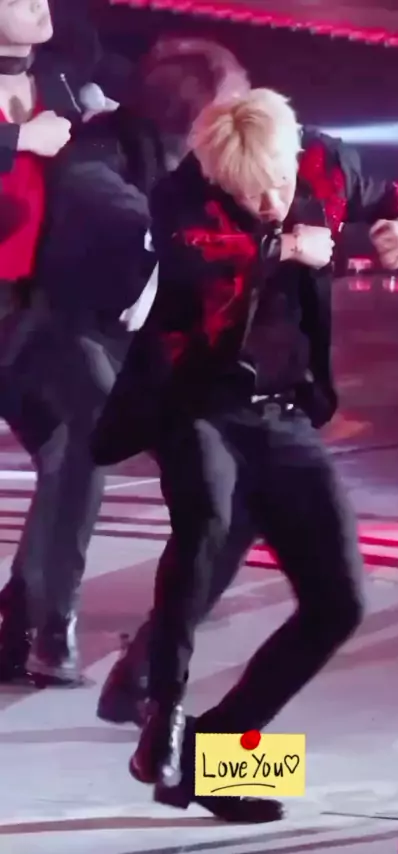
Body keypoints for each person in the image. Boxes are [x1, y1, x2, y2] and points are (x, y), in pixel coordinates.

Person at [92, 88, 398, 821]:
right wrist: (286, 247)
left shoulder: (326, 163)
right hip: (195, 401)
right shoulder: (182, 194)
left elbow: (391, 193)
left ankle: (213, 757)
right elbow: (194, 258)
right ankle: (161, 712)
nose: (273, 202)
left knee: (340, 602)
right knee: (206, 525)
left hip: (283, 413)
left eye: (279, 184)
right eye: (252, 195)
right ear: (218, 178)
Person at [0, 31, 250, 686]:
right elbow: (102, 194)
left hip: (97, 329)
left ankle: (72, 633)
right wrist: (17, 140)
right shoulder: (100, 155)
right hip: (51, 322)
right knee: (88, 438)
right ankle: (46, 625)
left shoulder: (62, 80)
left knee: (227, 474)